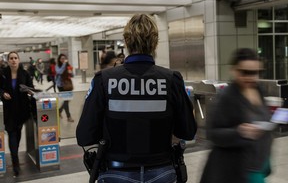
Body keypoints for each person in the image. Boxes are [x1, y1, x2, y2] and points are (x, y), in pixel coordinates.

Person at [76, 14, 197, 183]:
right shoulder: (171, 79)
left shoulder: (104, 79)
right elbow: (188, 132)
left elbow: (84, 136)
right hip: (161, 171)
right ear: (155, 42)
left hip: (116, 172)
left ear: (126, 41)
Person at [199, 48, 273, 183]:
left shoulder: (259, 90)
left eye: (255, 72)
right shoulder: (227, 97)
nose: (251, 77)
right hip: (236, 171)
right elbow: (213, 133)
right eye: (245, 72)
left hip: (258, 166)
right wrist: (239, 132)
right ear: (234, 70)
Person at [0, 51, 36, 177]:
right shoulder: (3, 73)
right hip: (9, 111)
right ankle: (16, 164)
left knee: (18, 135)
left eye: (15, 58)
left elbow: (31, 87)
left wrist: (29, 90)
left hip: (21, 111)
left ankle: (15, 157)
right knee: (12, 136)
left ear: (19, 60)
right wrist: (3, 93)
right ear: (8, 60)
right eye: (11, 58)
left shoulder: (24, 73)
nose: (13, 60)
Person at [56, 54, 74, 122]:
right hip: (60, 85)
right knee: (66, 100)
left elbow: (72, 75)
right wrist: (64, 64)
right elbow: (59, 72)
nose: (63, 60)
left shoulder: (68, 65)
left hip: (67, 85)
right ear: (59, 59)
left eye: (64, 58)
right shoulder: (57, 66)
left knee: (67, 100)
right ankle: (68, 117)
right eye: (62, 58)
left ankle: (59, 111)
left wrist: (70, 72)